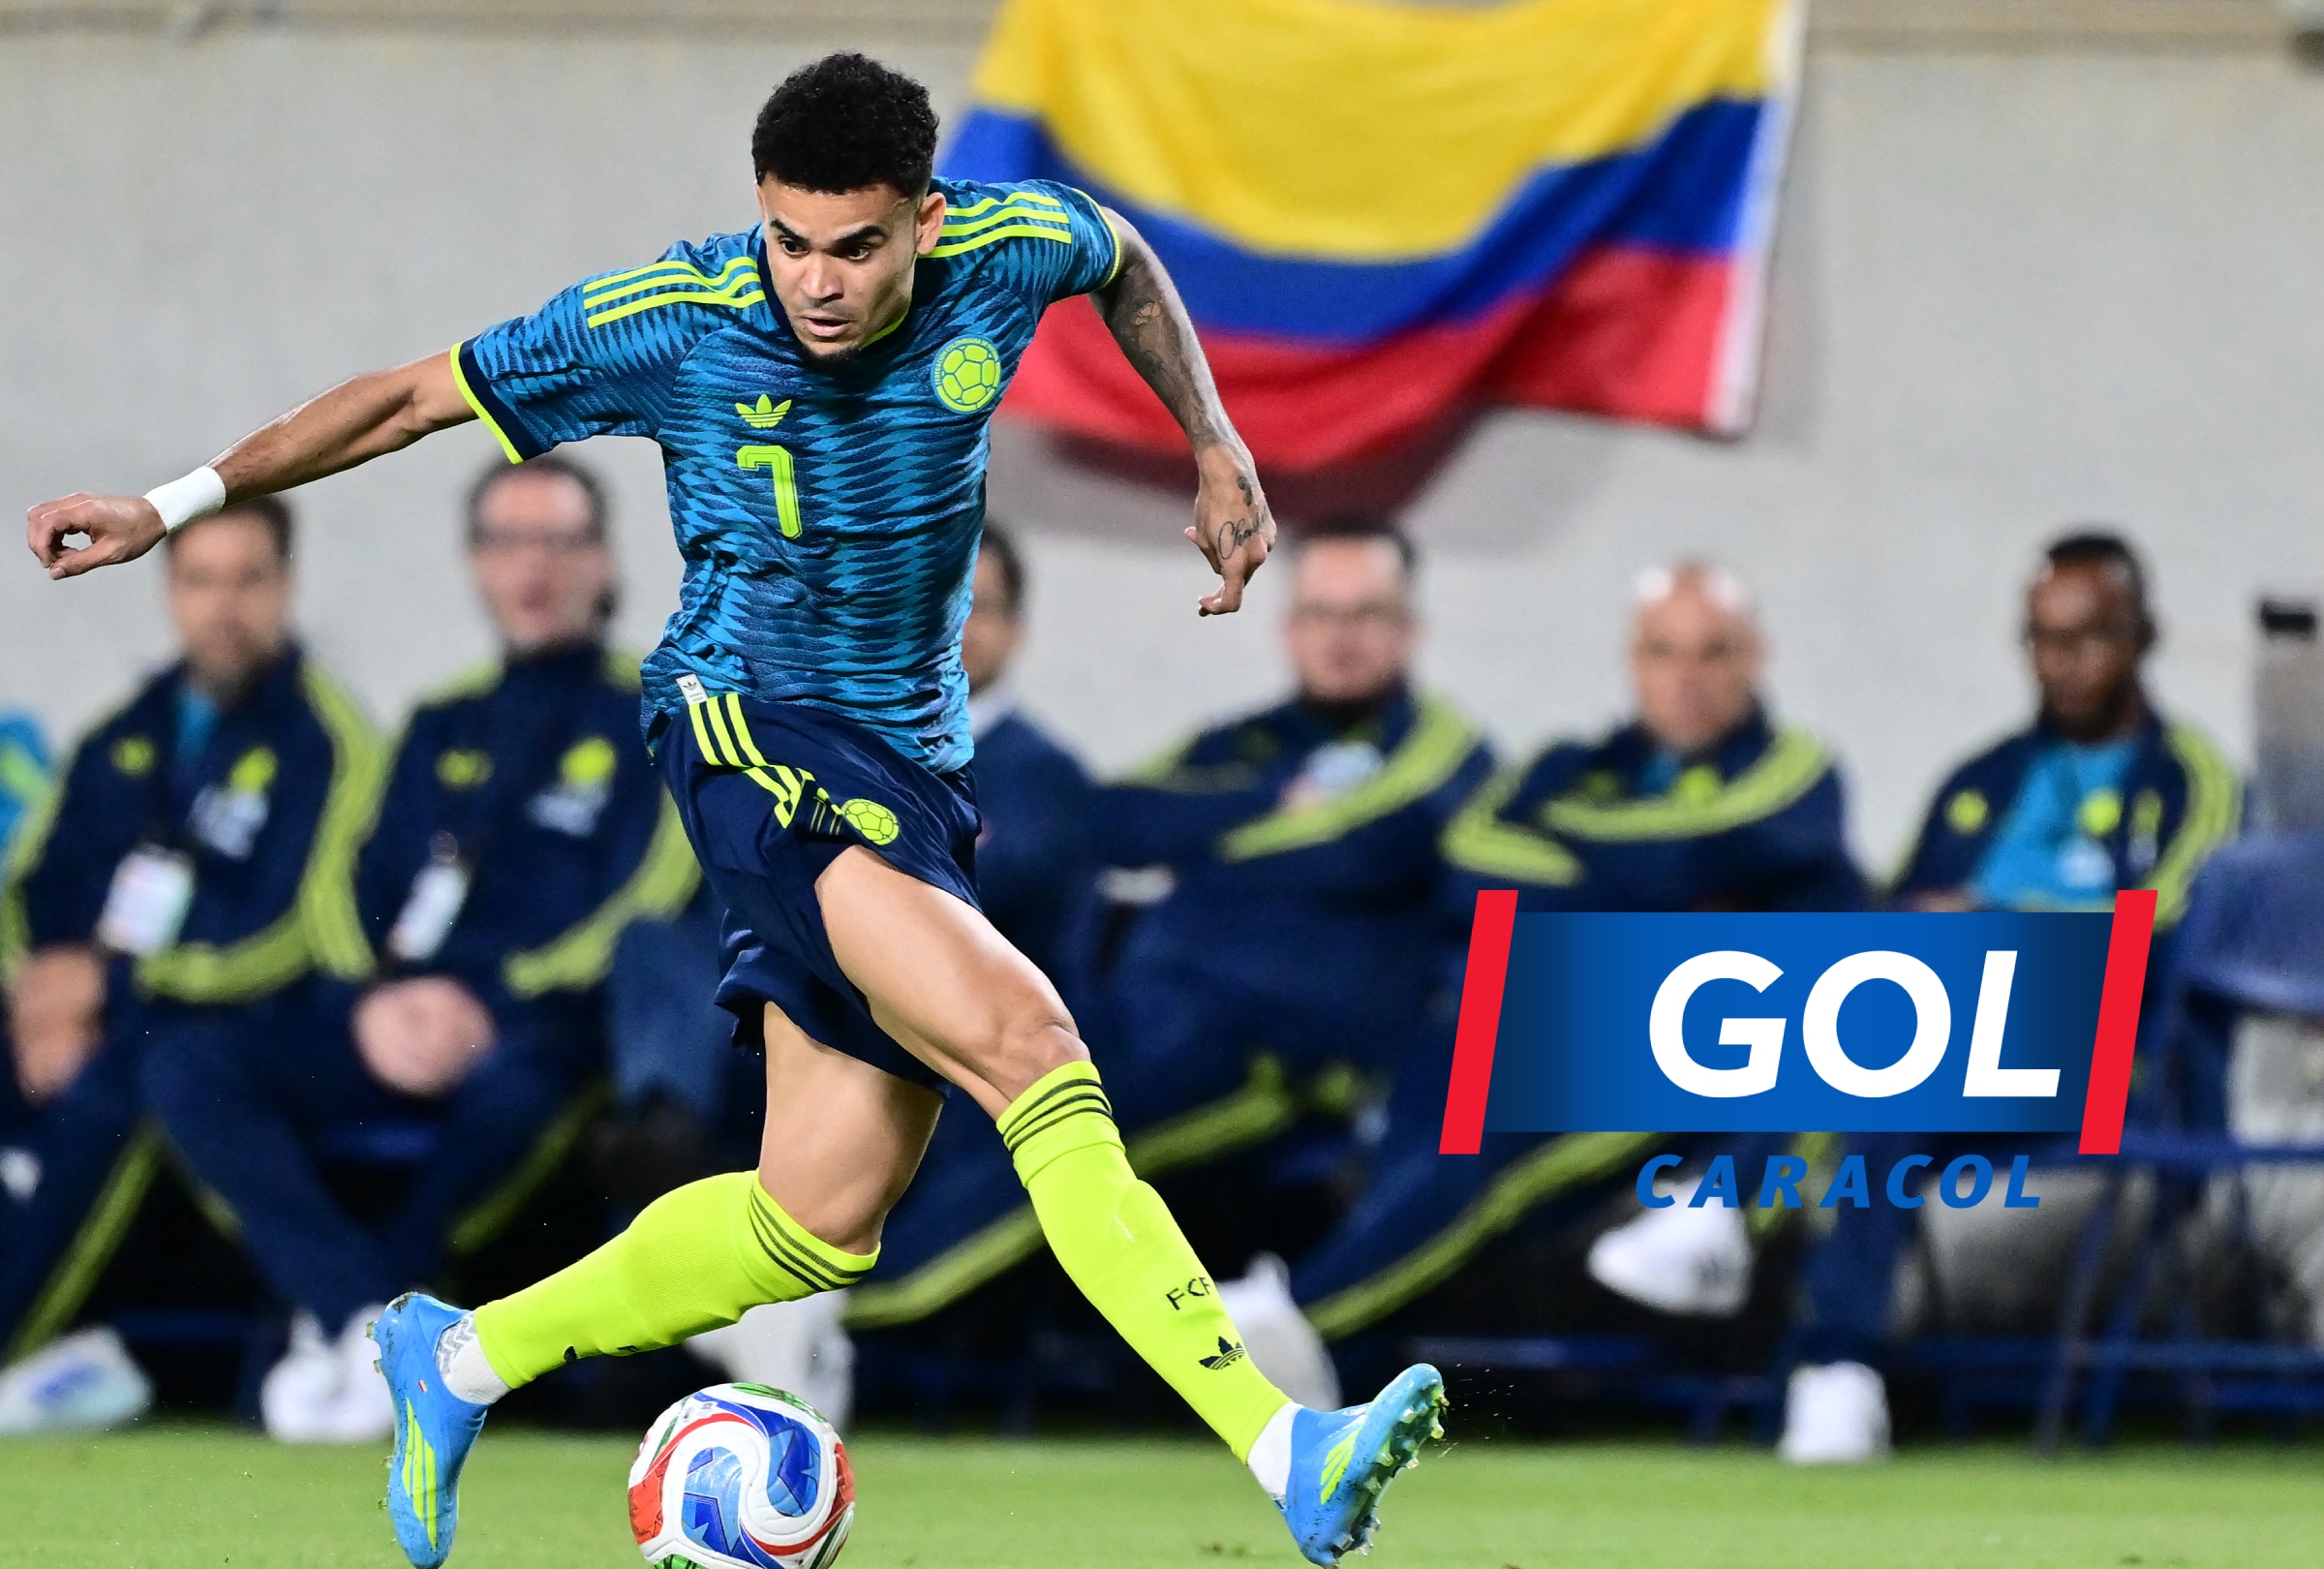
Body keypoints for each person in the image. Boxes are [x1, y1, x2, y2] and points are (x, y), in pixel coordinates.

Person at [25, 54, 1441, 1569]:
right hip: (745, 730)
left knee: (815, 1217)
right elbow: (404, 400)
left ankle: (456, 1358)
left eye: (856, 246)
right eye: (790, 239)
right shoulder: (675, 319)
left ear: (926, 223)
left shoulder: (1011, 250)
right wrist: (170, 507)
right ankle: (1285, 1443)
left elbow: (1128, 262)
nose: (816, 283)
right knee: (1032, 1048)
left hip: (912, 769)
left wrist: (1213, 438)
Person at [140, 455, 697, 1444]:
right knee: (188, 1059)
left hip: (539, 1028)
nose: (533, 566)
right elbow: (344, 884)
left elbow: (650, 893)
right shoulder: (441, 718)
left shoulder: (652, 710)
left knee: (527, 1091)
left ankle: (382, 1319)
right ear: (476, 564)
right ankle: (364, 1315)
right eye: (507, 541)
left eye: (557, 541)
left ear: (602, 561)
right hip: (391, 1018)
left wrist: (488, 997)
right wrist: (375, 999)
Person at [1217, 562, 1864, 1395]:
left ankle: (1302, 1320)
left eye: (1714, 652)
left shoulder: (1797, 767)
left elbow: (1702, 847)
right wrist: (1649, 897)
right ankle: (1335, 1361)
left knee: (1490, 1151)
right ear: (1634, 660)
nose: (1687, 677)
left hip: (1703, 1053)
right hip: (1549, 1024)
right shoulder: (1568, 764)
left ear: (1756, 657)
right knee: (1438, 1080)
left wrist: (1570, 863)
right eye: (1665, 652)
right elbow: (1470, 858)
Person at [1776, 531, 2241, 1464]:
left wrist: (1988, 921)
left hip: (2126, 1068)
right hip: (1964, 1060)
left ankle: (1753, 1260)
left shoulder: (2195, 781)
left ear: (2144, 635)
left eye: (2088, 636)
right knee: (1868, 1074)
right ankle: (1836, 1369)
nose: (2062, 662)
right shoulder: (1982, 782)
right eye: (2040, 638)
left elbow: (2165, 951)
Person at [0, 498, 377, 1432]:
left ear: (286, 587)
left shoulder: (330, 738)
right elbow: (28, 890)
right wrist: (37, 993)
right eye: (201, 580)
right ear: (168, 590)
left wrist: (109, 987)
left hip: (263, 1023)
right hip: (84, 1014)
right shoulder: (123, 729)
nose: (225, 606)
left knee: (129, 1073)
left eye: (249, 579)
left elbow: (296, 931)